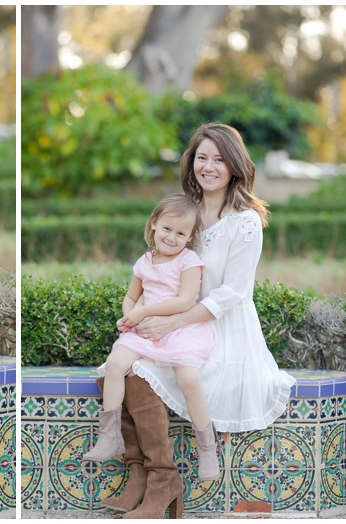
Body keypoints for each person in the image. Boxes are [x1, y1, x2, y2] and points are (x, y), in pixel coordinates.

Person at [105, 122, 296, 519]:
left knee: (140, 373)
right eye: (201, 158)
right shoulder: (185, 212)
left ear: (235, 166)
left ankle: (162, 483)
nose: (208, 167)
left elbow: (232, 293)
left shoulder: (245, 220)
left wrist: (171, 324)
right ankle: (142, 476)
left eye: (219, 159)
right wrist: (145, 313)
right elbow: (158, 270)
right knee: (118, 368)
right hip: (177, 316)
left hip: (221, 326)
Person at [85, 194, 220, 481]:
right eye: (167, 229)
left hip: (180, 329)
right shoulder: (144, 261)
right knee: (115, 363)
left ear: (191, 236)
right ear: (154, 223)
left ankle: (208, 449)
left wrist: (144, 311)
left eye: (181, 233)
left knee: (189, 379)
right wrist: (129, 315)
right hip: (145, 329)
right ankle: (110, 435)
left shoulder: (189, 262)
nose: (171, 238)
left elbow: (185, 301)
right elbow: (131, 296)